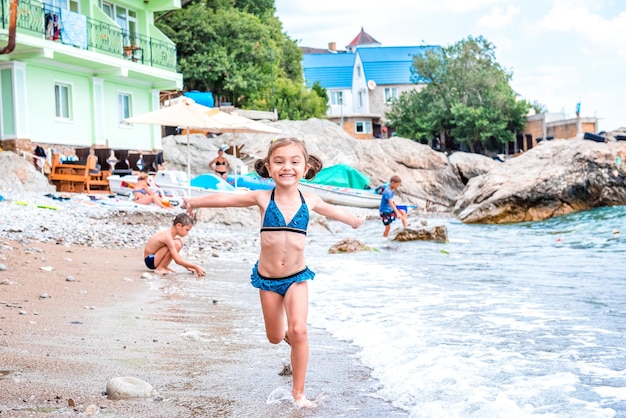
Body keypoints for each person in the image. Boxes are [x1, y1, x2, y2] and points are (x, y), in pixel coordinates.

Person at [183, 137, 365, 407]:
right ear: (268, 168)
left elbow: (335, 212)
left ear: (306, 167)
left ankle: (299, 393)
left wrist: (355, 221)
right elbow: (227, 198)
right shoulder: (262, 197)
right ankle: (289, 338)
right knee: (275, 337)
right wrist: (195, 202)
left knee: (300, 330)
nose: (286, 167)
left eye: (294, 161)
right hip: (267, 280)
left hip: (297, 278)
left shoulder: (310, 199)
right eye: (279, 162)